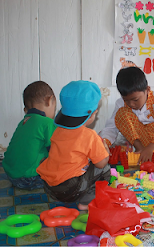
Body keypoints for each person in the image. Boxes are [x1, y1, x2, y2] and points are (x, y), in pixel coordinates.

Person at [37, 80, 110, 210]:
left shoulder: (57, 130)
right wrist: (106, 151)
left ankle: (60, 196)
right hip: (71, 189)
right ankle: (86, 202)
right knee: (105, 169)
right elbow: (101, 163)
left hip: (50, 187)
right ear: (93, 114)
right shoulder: (90, 135)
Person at [3, 81, 57, 190]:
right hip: (29, 179)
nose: (54, 113)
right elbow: (56, 151)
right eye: (54, 108)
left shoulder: (24, 122)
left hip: (11, 174)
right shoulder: (47, 123)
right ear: (49, 100)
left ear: (26, 110)